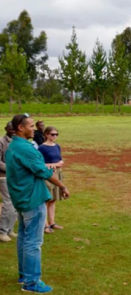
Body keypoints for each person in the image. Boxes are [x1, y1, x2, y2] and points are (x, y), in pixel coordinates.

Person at [6, 114, 69, 293]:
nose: (34, 129)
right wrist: (63, 186)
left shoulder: (15, 146)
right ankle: (31, 282)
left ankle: (23, 275)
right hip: (32, 199)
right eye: (31, 126)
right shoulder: (25, 148)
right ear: (20, 128)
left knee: (25, 239)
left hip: (22, 198)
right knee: (33, 242)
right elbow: (43, 171)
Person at [38, 126, 65, 234]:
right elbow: (39, 164)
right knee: (46, 200)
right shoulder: (42, 148)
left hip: (57, 173)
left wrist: (59, 163)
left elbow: (60, 159)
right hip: (47, 174)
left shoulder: (57, 146)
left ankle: (52, 222)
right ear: (46, 135)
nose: (54, 136)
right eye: (52, 134)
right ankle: (44, 225)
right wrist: (54, 165)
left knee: (53, 199)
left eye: (56, 134)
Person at [0, 122, 17, 242]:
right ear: (6, 129)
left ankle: (10, 229)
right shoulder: (1, 142)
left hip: (16, 177)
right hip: (3, 176)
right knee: (8, 203)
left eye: (14, 129)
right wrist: (11, 168)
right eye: (10, 129)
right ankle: (2, 231)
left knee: (16, 203)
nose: (12, 131)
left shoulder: (17, 142)